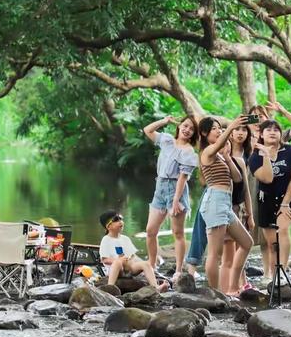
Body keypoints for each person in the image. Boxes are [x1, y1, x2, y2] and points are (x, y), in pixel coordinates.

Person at [248, 102, 291, 279]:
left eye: (275, 129)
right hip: (265, 198)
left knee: (282, 230)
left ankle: (282, 272)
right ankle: (272, 276)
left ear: (280, 134)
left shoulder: (290, 149)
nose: (272, 132)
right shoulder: (255, 154)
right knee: (271, 243)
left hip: (288, 197)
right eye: (268, 129)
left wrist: (286, 203)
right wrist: (265, 155)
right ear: (260, 134)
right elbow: (267, 178)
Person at [198, 116, 253, 295]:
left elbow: (237, 179)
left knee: (247, 242)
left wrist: (228, 158)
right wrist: (232, 127)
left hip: (225, 204)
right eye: (214, 128)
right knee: (215, 253)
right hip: (214, 201)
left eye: (220, 128)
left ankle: (232, 287)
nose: (219, 131)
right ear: (204, 133)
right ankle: (216, 294)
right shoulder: (206, 152)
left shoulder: (220, 156)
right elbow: (220, 142)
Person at [143, 115, 199, 281]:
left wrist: (175, 201)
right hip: (159, 187)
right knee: (150, 231)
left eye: (191, 129)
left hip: (176, 190)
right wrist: (165, 121)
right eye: (185, 125)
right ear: (180, 125)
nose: (187, 130)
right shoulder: (167, 140)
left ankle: (179, 270)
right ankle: (152, 265)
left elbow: (183, 177)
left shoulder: (189, 151)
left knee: (178, 233)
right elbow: (148, 130)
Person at [219, 124, 255, 292]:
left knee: (241, 247)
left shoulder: (244, 157)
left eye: (244, 130)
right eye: (237, 129)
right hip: (224, 207)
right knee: (229, 252)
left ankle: (241, 283)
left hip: (238, 207)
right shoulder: (217, 157)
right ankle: (229, 289)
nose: (240, 133)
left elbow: (246, 188)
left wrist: (250, 214)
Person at [98, 210, 169, 292]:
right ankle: (110, 287)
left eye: (121, 219)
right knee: (117, 263)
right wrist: (118, 260)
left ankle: (156, 287)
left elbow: (133, 256)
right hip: (116, 269)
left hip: (129, 268)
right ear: (108, 226)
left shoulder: (125, 239)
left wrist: (135, 262)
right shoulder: (106, 240)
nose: (120, 222)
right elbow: (104, 259)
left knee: (146, 264)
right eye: (116, 220)